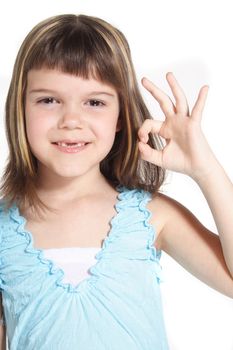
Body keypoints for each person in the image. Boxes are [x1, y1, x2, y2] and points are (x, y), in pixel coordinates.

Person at [0, 13, 232, 350]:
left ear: (121, 116)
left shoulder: (152, 216)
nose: (71, 121)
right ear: (20, 109)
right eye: (49, 100)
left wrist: (205, 168)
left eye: (94, 102)